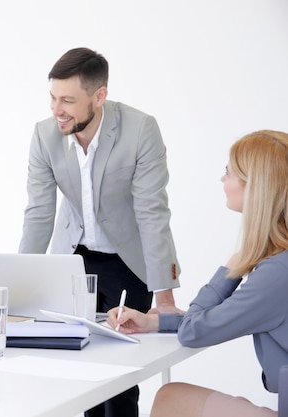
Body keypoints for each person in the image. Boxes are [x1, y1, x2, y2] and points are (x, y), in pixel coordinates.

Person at [19, 46, 181, 417]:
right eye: (53, 97)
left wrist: (166, 298)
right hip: (73, 261)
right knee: (80, 370)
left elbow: (152, 213)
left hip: (126, 261)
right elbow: (39, 212)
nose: (56, 109)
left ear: (99, 96)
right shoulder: (45, 135)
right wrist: (21, 288)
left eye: (68, 100)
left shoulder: (140, 129)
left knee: (120, 375)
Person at [108, 130, 288, 417]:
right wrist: (153, 323)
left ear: (255, 186)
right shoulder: (279, 266)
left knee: (172, 399)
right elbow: (218, 319)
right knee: (172, 395)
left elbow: (194, 330)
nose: (222, 179)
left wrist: (232, 266)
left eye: (228, 172)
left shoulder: (277, 274)